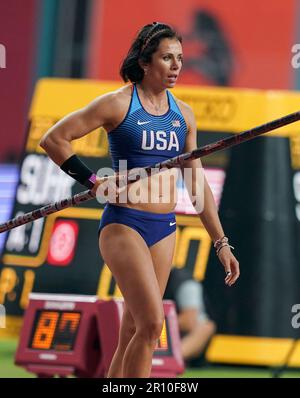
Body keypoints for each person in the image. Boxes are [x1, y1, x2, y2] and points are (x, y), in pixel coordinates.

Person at [39, 22, 240, 378]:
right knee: (152, 324)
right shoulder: (118, 103)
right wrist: (94, 182)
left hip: (164, 228)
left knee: (133, 332)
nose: (176, 66)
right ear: (146, 62)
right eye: (167, 58)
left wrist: (220, 242)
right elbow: (55, 140)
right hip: (124, 224)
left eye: (179, 58)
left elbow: (197, 184)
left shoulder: (184, 115)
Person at [164, 267, 216, 363]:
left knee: (206, 327)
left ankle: (171, 360)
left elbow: (188, 322)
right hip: (151, 336)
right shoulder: (141, 278)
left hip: (175, 338)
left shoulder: (184, 282)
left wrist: (159, 323)